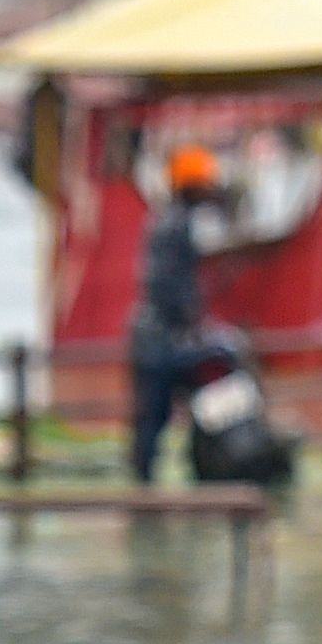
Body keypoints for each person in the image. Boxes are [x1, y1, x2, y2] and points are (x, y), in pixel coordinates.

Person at [128, 144, 226, 486]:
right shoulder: (175, 226)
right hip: (160, 341)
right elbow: (167, 283)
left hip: (159, 337)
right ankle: (146, 486)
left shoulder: (171, 221)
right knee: (154, 417)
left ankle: (154, 478)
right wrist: (190, 321)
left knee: (157, 418)